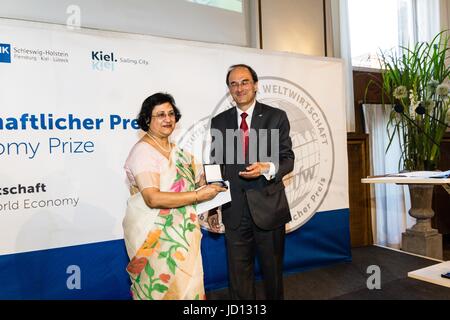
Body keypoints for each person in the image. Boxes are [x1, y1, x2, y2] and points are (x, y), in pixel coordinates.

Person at [123, 92, 226, 300]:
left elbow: (202, 181)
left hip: (184, 234)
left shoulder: (177, 152)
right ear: (146, 120)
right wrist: (198, 195)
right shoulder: (143, 152)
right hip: (154, 238)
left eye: (171, 113)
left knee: (189, 288)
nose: (167, 119)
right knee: (162, 291)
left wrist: (213, 209)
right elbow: (153, 198)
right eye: (160, 114)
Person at [209, 64, 294, 300]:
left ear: (255, 85)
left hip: (268, 208)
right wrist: (213, 207)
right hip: (233, 210)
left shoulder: (275, 117)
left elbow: (288, 159)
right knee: (238, 279)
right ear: (229, 89)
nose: (240, 88)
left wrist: (266, 168)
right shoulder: (219, 122)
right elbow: (216, 165)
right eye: (234, 84)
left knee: (273, 275)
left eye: (244, 82)